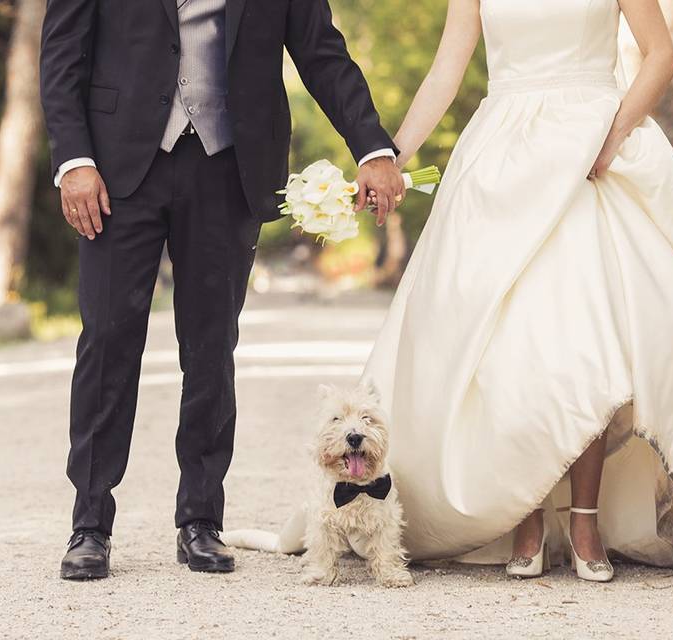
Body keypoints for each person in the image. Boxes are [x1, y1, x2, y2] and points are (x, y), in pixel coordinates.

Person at [357, 0, 673, 579]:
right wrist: (390, 158)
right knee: (508, 339)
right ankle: (527, 519)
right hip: (503, 161)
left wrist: (611, 137)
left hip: (592, 152)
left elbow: (662, 57)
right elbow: (447, 69)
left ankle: (585, 520)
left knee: (587, 337)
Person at [39, 0, 404, 580]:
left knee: (211, 346)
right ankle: (89, 524)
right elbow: (62, 50)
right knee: (108, 341)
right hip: (115, 164)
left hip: (228, 165)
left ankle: (200, 520)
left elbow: (320, 51)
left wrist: (372, 147)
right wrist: (74, 159)